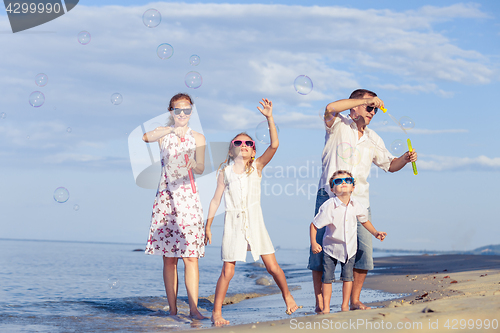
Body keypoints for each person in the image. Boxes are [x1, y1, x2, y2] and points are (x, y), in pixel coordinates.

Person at [309, 89, 417, 312]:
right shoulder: (338, 125)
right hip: (328, 197)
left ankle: (354, 300)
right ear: (354, 107)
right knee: (319, 251)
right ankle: (321, 303)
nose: (373, 111)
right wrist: (366, 100)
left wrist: (405, 159)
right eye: (369, 107)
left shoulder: (373, 138)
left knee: (363, 253)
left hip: (358, 202)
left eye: (375, 108)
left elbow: (390, 165)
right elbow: (330, 108)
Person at [204, 98, 299, 326]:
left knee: (272, 266)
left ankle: (287, 295)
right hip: (233, 224)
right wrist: (207, 225)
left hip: (255, 222)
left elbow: (275, 145)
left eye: (249, 143)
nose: (244, 145)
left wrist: (269, 118)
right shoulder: (225, 172)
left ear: (253, 150)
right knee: (228, 270)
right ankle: (216, 312)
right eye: (239, 142)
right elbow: (216, 199)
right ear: (231, 148)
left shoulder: (256, 167)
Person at [143, 93, 207, 319]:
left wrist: (194, 164)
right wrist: (170, 129)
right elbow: (145, 137)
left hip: (188, 200)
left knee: (191, 257)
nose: (182, 114)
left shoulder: (198, 137)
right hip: (166, 200)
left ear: (192, 111)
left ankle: (193, 309)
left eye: (187, 110)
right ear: (171, 111)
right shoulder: (163, 134)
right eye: (178, 110)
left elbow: (200, 167)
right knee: (169, 259)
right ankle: (172, 310)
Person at [310, 170, 386, 313]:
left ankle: (345, 306)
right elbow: (314, 225)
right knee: (327, 278)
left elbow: (364, 220)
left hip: (350, 249)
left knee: (348, 278)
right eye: (338, 181)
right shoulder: (328, 206)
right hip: (330, 248)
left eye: (347, 180)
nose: (343, 183)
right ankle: (326, 307)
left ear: (353, 187)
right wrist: (314, 243)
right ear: (332, 189)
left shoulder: (356, 205)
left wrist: (375, 232)